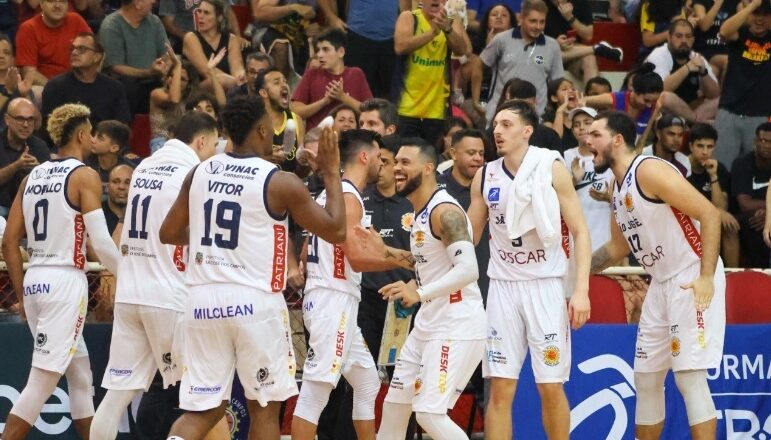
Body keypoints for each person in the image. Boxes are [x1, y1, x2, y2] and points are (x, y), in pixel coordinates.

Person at [160, 95, 347, 440]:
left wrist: (205, 239)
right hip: (254, 302)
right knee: (264, 407)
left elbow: (168, 233)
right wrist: (331, 172)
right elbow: (336, 230)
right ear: (262, 128)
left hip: (201, 301)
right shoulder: (278, 182)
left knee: (203, 409)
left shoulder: (200, 171)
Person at [89, 111, 230, 440]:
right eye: (211, 147)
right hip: (169, 297)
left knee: (116, 397)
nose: (211, 155)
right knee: (205, 395)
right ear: (200, 141)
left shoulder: (144, 167)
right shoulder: (191, 172)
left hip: (131, 293)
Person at [587, 111, 725, 440]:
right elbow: (617, 248)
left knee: (689, 378)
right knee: (646, 378)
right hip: (661, 282)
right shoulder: (616, 187)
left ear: (617, 140)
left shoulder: (648, 170)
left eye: (595, 134)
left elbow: (709, 213)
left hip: (691, 274)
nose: (587, 140)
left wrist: (706, 277)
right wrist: (572, 275)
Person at [467, 100, 592, 440]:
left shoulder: (551, 167)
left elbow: (580, 231)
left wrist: (580, 291)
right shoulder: (485, 175)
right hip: (503, 287)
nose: (497, 130)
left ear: (527, 130)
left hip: (545, 285)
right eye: (495, 124)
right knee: (500, 388)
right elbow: (468, 237)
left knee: (550, 386)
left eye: (506, 124)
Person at [0, 103, 119, 440]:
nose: (94, 138)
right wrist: (129, 272)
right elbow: (101, 241)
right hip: (64, 281)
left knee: (80, 375)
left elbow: (10, 242)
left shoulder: (31, 177)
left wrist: (22, 293)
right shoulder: (84, 175)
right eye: (92, 132)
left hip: (36, 278)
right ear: (82, 134)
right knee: (41, 381)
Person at [355, 137, 486, 440]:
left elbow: (468, 269)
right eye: (394, 162)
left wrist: (419, 293)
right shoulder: (421, 213)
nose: (396, 169)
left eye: (404, 163)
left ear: (428, 168)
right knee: (395, 405)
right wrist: (385, 250)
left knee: (428, 412)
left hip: (457, 324)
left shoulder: (445, 212)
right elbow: (424, 261)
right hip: (429, 323)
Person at [292, 129, 384, 440]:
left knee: (368, 381)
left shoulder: (329, 193)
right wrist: (404, 261)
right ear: (364, 156)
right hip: (333, 299)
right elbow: (357, 260)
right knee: (316, 392)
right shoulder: (349, 197)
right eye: (379, 157)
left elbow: (306, 251)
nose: (381, 163)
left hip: (330, 295)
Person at [393, 0, 471, 147]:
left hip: (437, 110)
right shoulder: (409, 17)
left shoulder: (451, 23)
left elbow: (463, 51)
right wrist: (432, 33)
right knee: (403, 156)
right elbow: (400, 46)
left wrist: (447, 30)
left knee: (431, 160)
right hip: (406, 108)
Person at [481, 0, 563, 120]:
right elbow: (479, 66)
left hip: (535, 118)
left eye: (542, 22)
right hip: (500, 115)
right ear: (521, 19)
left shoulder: (553, 46)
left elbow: (557, 82)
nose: (538, 27)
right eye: (533, 21)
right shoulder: (501, 40)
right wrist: (475, 101)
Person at [714, 0, 771, 168]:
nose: (759, 20)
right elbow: (724, 31)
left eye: (765, 15)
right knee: (721, 169)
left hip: (760, 115)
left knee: (756, 170)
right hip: (729, 112)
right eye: (756, 14)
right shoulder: (741, 33)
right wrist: (752, 5)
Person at [41, 32, 131, 130]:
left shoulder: (115, 88)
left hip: (104, 142)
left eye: (81, 49)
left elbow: (122, 129)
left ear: (97, 57)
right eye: (73, 48)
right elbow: (52, 129)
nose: (74, 53)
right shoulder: (55, 86)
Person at [99, 0, 171, 114]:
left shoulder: (154, 21)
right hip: (125, 84)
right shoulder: (111, 26)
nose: (154, 1)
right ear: (137, 4)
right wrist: (149, 72)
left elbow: (167, 54)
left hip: (155, 79)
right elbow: (115, 67)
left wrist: (164, 66)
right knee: (129, 86)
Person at [292, 28, 372, 129]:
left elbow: (370, 112)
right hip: (316, 140)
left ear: (341, 52)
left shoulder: (356, 74)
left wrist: (342, 97)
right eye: (318, 50)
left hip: (350, 140)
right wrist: (324, 102)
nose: (319, 55)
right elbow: (295, 112)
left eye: (325, 49)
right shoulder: (312, 74)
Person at [645, 19, 721, 122]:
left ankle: (692, 121)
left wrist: (704, 73)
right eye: (679, 36)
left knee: (722, 100)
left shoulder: (697, 58)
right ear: (669, 38)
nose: (684, 40)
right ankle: (696, 120)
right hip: (665, 111)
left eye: (688, 36)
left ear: (693, 39)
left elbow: (714, 95)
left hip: (692, 108)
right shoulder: (659, 55)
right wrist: (687, 68)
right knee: (665, 97)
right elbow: (660, 89)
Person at [686, 122, 739, 267]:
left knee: (730, 225)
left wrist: (713, 175)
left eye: (709, 147)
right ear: (691, 146)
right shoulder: (681, 167)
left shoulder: (718, 168)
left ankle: (732, 274)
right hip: (687, 217)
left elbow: (722, 207)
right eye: (700, 146)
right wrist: (715, 212)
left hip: (710, 217)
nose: (705, 152)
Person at [562, 107, 613, 253]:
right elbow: (555, 198)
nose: (581, 128)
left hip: (604, 234)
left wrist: (609, 198)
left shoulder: (608, 158)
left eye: (587, 122)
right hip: (573, 235)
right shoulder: (565, 156)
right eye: (576, 124)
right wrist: (573, 180)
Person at [14, 0, 91, 85]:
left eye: (62, 1)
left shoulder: (76, 20)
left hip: (78, 82)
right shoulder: (28, 28)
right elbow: (29, 73)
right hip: (44, 86)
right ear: (42, 4)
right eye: (51, 1)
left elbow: (97, 53)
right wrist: (55, 89)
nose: (57, 5)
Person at [544, 0, 624, 82]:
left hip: (573, 52)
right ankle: (597, 49)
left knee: (589, 58)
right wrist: (554, 43)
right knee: (551, 51)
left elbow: (588, 36)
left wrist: (570, 18)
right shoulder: (539, 3)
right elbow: (533, 38)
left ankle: (593, 93)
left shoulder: (581, 3)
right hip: (546, 52)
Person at [584, 63, 666, 138]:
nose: (650, 105)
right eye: (646, 100)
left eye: (654, 101)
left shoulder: (655, 106)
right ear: (635, 91)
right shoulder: (614, 99)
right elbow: (582, 101)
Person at [731, 122, 771, 268]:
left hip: (768, 214)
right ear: (755, 141)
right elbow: (745, 204)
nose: (767, 146)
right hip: (744, 217)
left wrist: (769, 213)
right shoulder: (742, 163)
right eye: (763, 141)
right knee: (755, 223)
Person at [0, 98, 50, 216]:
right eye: (20, 119)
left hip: (29, 209)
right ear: (7, 119)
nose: (26, 125)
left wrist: (40, 171)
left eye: (30, 119)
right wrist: (17, 166)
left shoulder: (39, 146)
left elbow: (50, 187)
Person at [182, 0, 245, 92]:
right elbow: (207, 71)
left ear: (219, 17)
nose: (200, 16)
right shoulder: (191, 38)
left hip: (229, 89)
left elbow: (237, 68)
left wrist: (241, 76)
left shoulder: (231, 39)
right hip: (198, 90)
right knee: (221, 80)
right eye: (199, 11)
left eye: (206, 13)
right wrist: (236, 82)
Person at [256, 67, 306, 173]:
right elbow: (241, 160)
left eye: (285, 81)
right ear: (264, 93)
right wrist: (267, 158)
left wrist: (305, 163)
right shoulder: (253, 122)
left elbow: (300, 173)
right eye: (277, 82)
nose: (284, 85)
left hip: (289, 185)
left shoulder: (296, 120)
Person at [85, 119, 135, 194]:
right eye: (94, 135)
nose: (93, 140)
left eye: (100, 138)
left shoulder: (130, 171)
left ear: (114, 148)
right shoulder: (83, 165)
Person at [641, 113, 692, 177]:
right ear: (658, 134)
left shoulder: (684, 161)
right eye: (671, 134)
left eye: (680, 135)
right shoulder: (642, 156)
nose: (676, 140)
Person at [102, 164, 132, 234]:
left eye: (128, 183)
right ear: (107, 186)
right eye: (116, 181)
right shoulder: (97, 214)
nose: (121, 187)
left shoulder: (142, 215)